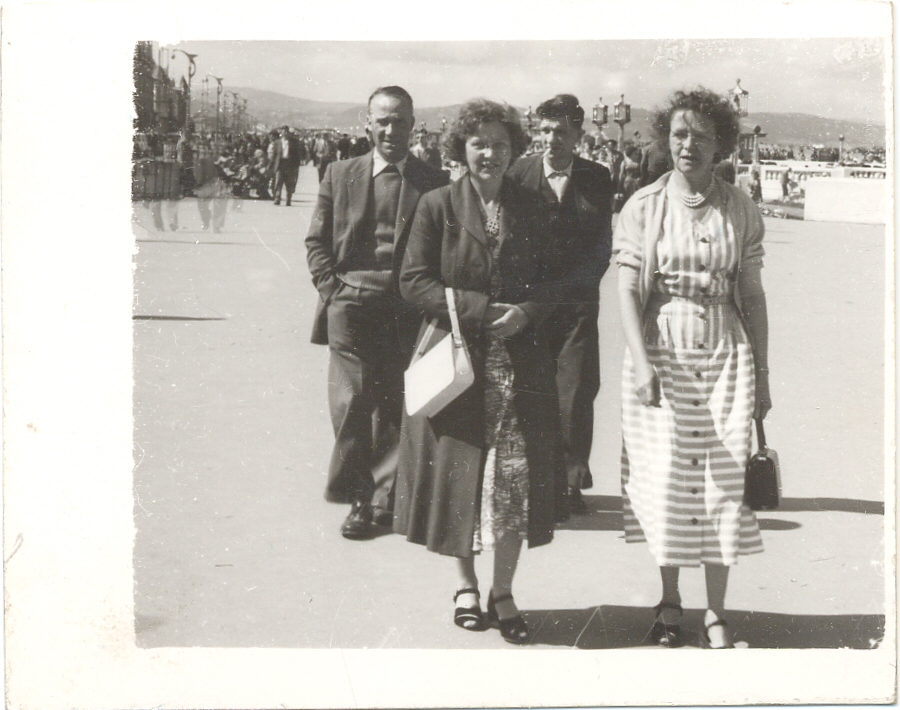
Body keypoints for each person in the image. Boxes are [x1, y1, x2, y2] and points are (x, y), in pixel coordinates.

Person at [394, 99, 567, 645]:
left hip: (518, 364)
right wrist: (477, 309)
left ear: (515, 150)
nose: (489, 153)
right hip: (460, 363)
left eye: (499, 144)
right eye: (478, 143)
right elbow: (413, 280)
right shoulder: (437, 205)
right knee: (461, 477)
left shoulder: (535, 206)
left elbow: (557, 281)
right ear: (461, 149)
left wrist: (528, 313)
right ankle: (465, 586)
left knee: (513, 482)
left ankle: (504, 591)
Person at [613, 88, 771, 649]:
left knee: (723, 483)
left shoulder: (740, 207)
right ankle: (669, 602)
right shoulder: (644, 205)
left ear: (720, 143)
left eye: (701, 136)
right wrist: (641, 364)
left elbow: (752, 293)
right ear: (666, 139)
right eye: (679, 134)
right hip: (664, 350)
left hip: (727, 350)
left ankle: (716, 611)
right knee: (668, 479)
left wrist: (763, 375)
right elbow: (627, 289)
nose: (688, 145)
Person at [305, 86, 448, 540]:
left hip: (406, 308)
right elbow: (316, 241)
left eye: (399, 121)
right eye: (382, 120)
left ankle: (383, 499)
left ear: (413, 125)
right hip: (350, 303)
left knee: (394, 403)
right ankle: (357, 497)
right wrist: (333, 291)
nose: (390, 130)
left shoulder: (434, 181)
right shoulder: (340, 173)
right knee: (351, 402)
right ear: (367, 123)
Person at [507, 94, 613, 513]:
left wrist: (574, 291)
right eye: (545, 130)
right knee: (530, 392)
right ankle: (533, 482)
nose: (552, 140)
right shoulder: (518, 173)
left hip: (576, 307)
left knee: (575, 393)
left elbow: (601, 248)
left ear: (578, 135)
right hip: (530, 307)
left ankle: (570, 483)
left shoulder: (597, 178)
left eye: (561, 132)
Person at [270, 126, 302, 206]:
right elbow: (274, 154)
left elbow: (297, 155)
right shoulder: (277, 142)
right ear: (281, 133)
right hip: (280, 164)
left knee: (289, 182)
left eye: (286, 132)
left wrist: (296, 166)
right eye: (284, 132)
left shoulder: (293, 142)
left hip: (289, 164)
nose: (285, 133)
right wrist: (272, 164)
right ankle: (277, 198)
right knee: (278, 182)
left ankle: (288, 199)